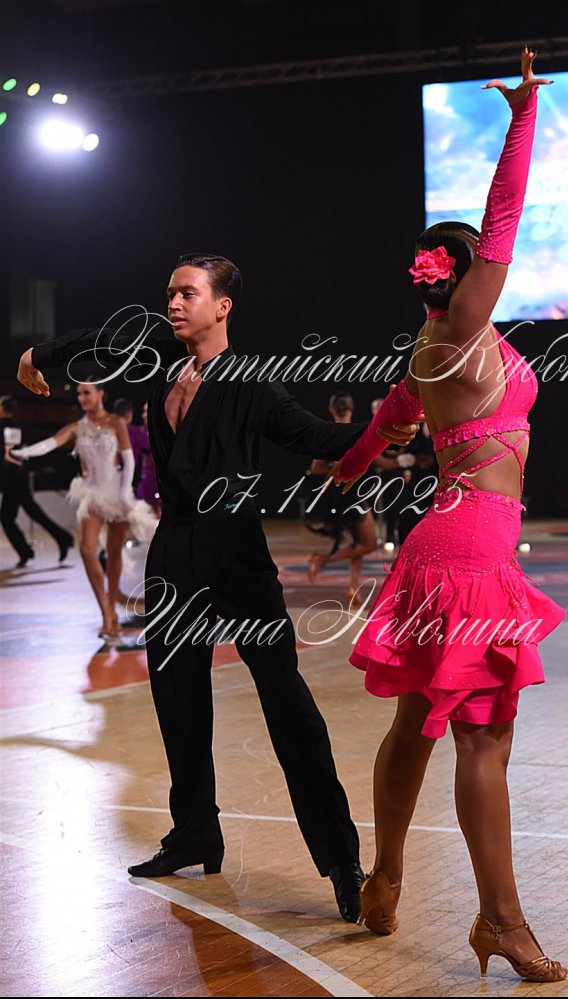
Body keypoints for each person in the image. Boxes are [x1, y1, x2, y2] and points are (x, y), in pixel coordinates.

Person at [16, 253, 418, 922]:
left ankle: (342, 860)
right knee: (177, 697)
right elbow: (101, 340)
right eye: (170, 292)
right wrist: (40, 354)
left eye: (188, 293)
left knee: (288, 706)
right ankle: (195, 832)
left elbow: (312, 434)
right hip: (174, 549)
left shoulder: (250, 383)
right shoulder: (158, 361)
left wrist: (379, 432)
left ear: (223, 305)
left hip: (236, 551)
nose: (174, 303)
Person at [330, 49, 568, 982]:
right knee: (482, 733)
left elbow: (381, 427)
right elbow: (505, 221)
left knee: (417, 724)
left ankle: (385, 876)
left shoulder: (434, 350)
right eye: (480, 267)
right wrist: (523, 117)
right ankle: (501, 920)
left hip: (448, 540)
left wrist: (346, 467)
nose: (493, 275)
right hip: (468, 547)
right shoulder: (462, 330)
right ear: (466, 276)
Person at [12, 381, 156, 638]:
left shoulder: (116, 422)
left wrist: (125, 494)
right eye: (79, 394)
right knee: (87, 550)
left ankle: (112, 611)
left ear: (101, 394)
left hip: (115, 493)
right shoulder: (77, 427)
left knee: (114, 552)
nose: (82, 398)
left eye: (87, 392)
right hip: (90, 494)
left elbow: (129, 460)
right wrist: (23, 452)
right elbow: (51, 443)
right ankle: (106, 613)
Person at [308, 392, 378, 606]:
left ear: (331, 410)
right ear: (352, 408)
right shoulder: (356, 431)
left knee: (358, 542)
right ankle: (323, 559)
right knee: (370, 543)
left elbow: (316, 468)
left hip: (336, 494)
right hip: (353, 493)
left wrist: (333, 468)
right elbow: (371, 458)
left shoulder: (326, 432)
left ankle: (353, 588)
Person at [0, 394, 73, 568]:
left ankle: (28, 551)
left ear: (2, 408)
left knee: (8, 517)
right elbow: (41, 439)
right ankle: (61, 538)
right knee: (31, 512)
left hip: (10, 478)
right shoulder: (20, 427)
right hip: (20, 475)